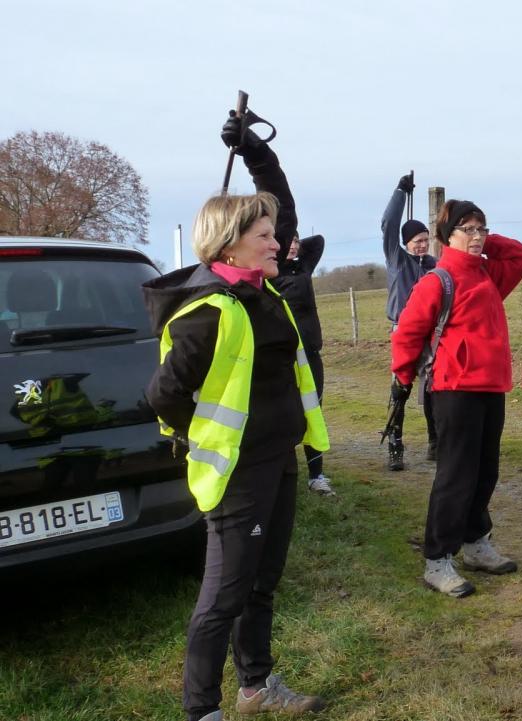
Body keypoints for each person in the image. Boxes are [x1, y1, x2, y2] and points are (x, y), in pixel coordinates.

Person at [143, 113, 328, 721]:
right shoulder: (207, 311)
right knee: (223, 597)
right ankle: (203, 711)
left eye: (276, 235)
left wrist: (252, 149)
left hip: (277, 461)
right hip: (239, 471)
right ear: (229, 244)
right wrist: (196, 435)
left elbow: (285, 208)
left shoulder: (264, 289)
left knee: (261, 585)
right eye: (265, 236)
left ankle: (255, 686)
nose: (279, 243)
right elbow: (164, 395)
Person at [390, 199, 522, 598]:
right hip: (453, 389)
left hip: (491, 386)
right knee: (456, 476)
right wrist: (403, 378)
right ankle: (438, 560)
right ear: (446, 236)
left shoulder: (488, 274)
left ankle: (476, 544)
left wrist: (487, 243)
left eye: (481, 229)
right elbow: (407, 333)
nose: (476, 236)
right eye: (466, 229)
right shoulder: (439, 280)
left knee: (486, 471)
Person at [381, 173, 438, 471]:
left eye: (426, 240)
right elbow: (389, 225)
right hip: (402, 331)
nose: (422, 245)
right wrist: (400, 193)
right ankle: (395, 445)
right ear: (406, 243)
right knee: (399, 389)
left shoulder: (433, 266)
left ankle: (435, 441)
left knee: (432, 388)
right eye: (417, 241)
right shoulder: (396, 259)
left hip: (430, 335)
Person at [273, 232, 334, 496]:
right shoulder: (270, 272)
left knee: (313, 413)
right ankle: (281, 474)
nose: (295, 245)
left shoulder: (303, 267)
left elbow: (318, 241)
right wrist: (279, 241)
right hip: (283, 357)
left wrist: (291, 238)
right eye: (290, 240)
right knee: (284, 414)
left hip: (310, 356)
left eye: (296, 241)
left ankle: (316, 475)